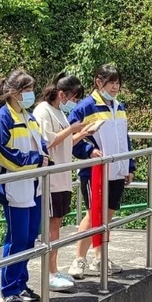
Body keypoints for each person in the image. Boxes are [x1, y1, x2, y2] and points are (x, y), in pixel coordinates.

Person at [0, 69, 48, 302]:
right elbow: (1, 153)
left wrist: (42, 156)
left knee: (30, 236)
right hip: (14, 185)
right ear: (13, 92)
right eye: (26, 89)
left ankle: (21, 283)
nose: (31, 94)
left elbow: (41, 143)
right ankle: (8, 289)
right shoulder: (2, 118)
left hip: (34, 184)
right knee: (17, 237)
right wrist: (33, 159)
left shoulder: (29, 116)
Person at [68, 64, 135, 277]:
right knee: (92, 214)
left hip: (117, 168)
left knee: (107, 215)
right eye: (111, 83)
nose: (115, 87)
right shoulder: (86, 107)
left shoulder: (119, 106)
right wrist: (89, 150)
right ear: (99, 82)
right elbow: (71, 138)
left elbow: (124, 138)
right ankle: (79, 259)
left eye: (117, 83)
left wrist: (129, 165)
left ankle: (100, 257)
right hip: (93, 171)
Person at [33, 73, 87, 291]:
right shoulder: (42, 110)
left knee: (57, 224)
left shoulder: (58, 112)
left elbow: (64, 143)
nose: (73, 102)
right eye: (73, 97)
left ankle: (54, 269)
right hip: (51, 179)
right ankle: (50, 272)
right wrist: (72, 129)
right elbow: (48, 141)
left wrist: (82, 134)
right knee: (51, 227)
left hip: (63, 177)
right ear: (62, 93)